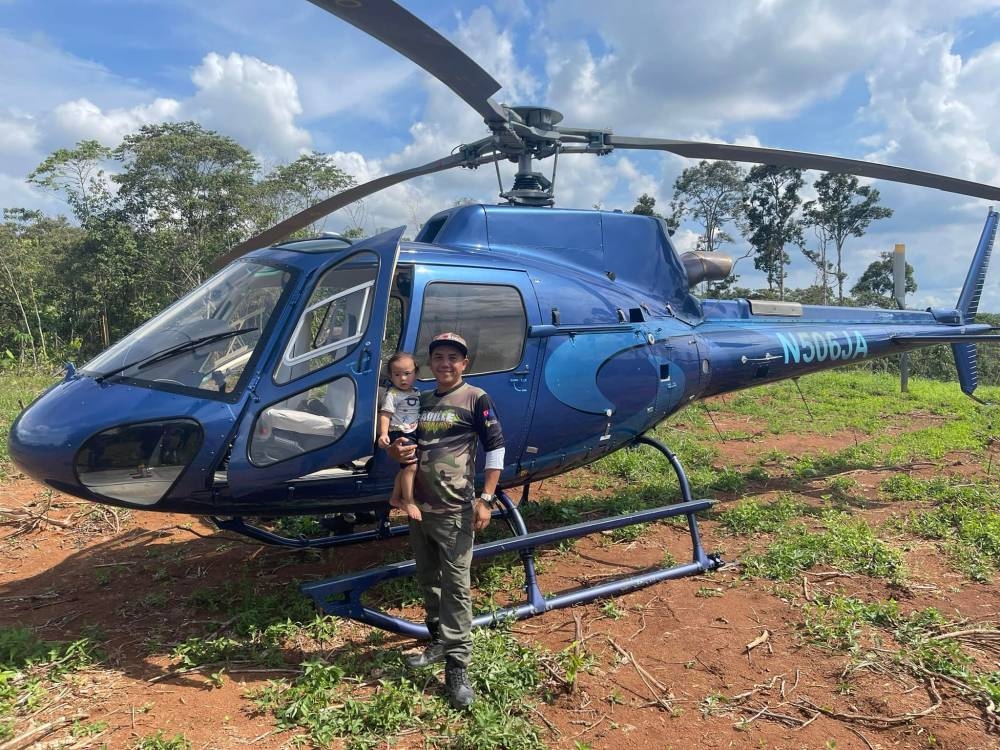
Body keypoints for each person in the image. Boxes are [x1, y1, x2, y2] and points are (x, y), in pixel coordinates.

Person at [393, 332, 504, 710]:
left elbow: (496, 447)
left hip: (456, 510)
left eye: (452, 358)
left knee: (457, 590)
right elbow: (403, 443)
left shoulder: (475, 398)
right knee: (429, 581)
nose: (445, 363)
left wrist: (486, 498)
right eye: (438, 356)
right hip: (419, 510)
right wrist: (397, 448)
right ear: (431, 363)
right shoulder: (421, 401)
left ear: (464, 364)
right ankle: (438, 640)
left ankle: (457, 670)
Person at [377, 352, 422, 521]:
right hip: (400, 432)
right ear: (390, 376)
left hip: (413, 431)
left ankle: (395, 497)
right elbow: (385, 415)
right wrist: (383, 434)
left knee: (405, 468)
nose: (402, 378)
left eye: (407, 374)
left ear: (415, 374)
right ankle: (408, 501)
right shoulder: (392, 394)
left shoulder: (416, 392)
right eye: (397, 374)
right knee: (411, 467)